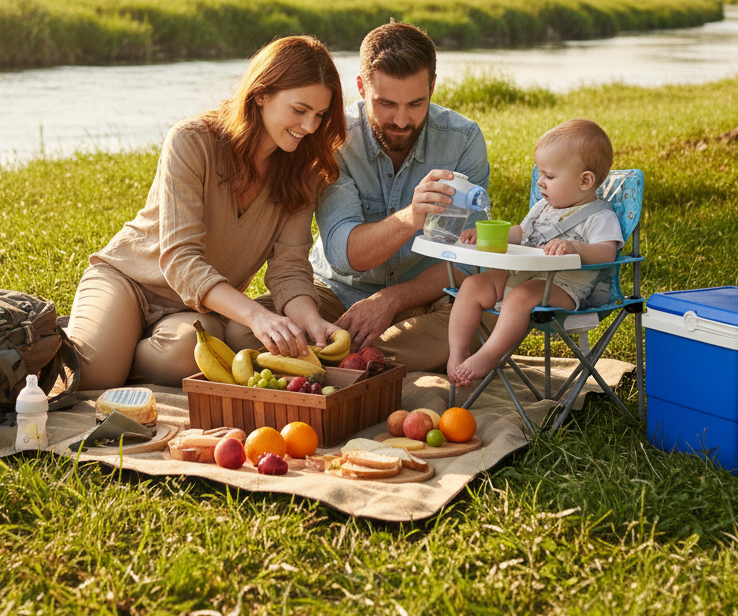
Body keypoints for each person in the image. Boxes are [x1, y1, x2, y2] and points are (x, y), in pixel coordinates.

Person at [65, 35, 347, 390]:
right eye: (299, 110)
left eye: (320, 115)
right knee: (94, 377)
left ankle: (116, 345)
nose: (310, 127)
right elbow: (180, 258)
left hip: (197, 309)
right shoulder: (191, 141)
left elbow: (289, 267)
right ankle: (98, 339)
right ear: (261, 94)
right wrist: (256, 315)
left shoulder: (303, 169)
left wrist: (311, 321)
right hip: (131, 281)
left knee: (191, 354)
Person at [247, 21, 489, 373]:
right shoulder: (334, 138)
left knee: (489, 319)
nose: (402, 120)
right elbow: (343, 254)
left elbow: (468, 258)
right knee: (241, 334)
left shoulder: (463, 139)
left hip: (423, 301)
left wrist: (392, 300)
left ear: (432, 87)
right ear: (361, 88)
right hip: (333, 294)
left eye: (416, 103)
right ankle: (367, 359)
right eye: (386, 103)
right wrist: (413, 216)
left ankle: (335, 358)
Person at [447, 118, 624, 386]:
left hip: (564, 287)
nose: (540, 182)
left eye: (549, 176)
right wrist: (486, 236)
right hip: (523, 275)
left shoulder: (599, 216)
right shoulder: (543, 207)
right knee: (472, 285)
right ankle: (458, 352)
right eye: (540, 174)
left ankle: (489, 355)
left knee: (520, 298)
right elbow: (521, 233)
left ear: (585, 181)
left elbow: (606, 253)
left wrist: (575, 248)